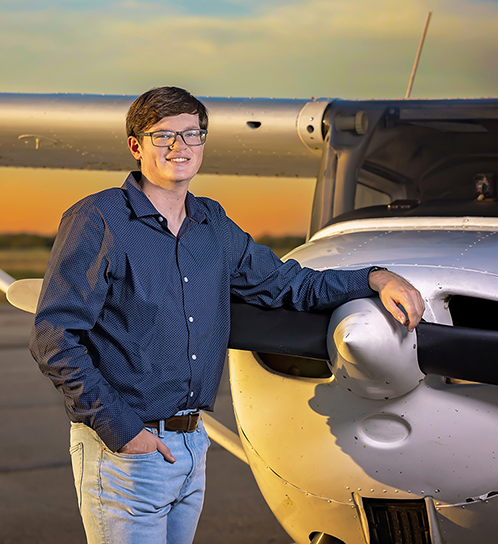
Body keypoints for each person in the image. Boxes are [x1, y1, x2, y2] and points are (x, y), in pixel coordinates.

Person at [30, 86, 424, 544]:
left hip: (193, 442)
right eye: (163, 136)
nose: (180, 147)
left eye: (191, 134)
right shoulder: (98, 218)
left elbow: (286, 284)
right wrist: (122, 430)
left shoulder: (212, 223)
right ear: (136, 146)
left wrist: (373, 278)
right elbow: (54, 338)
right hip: (126, 448)